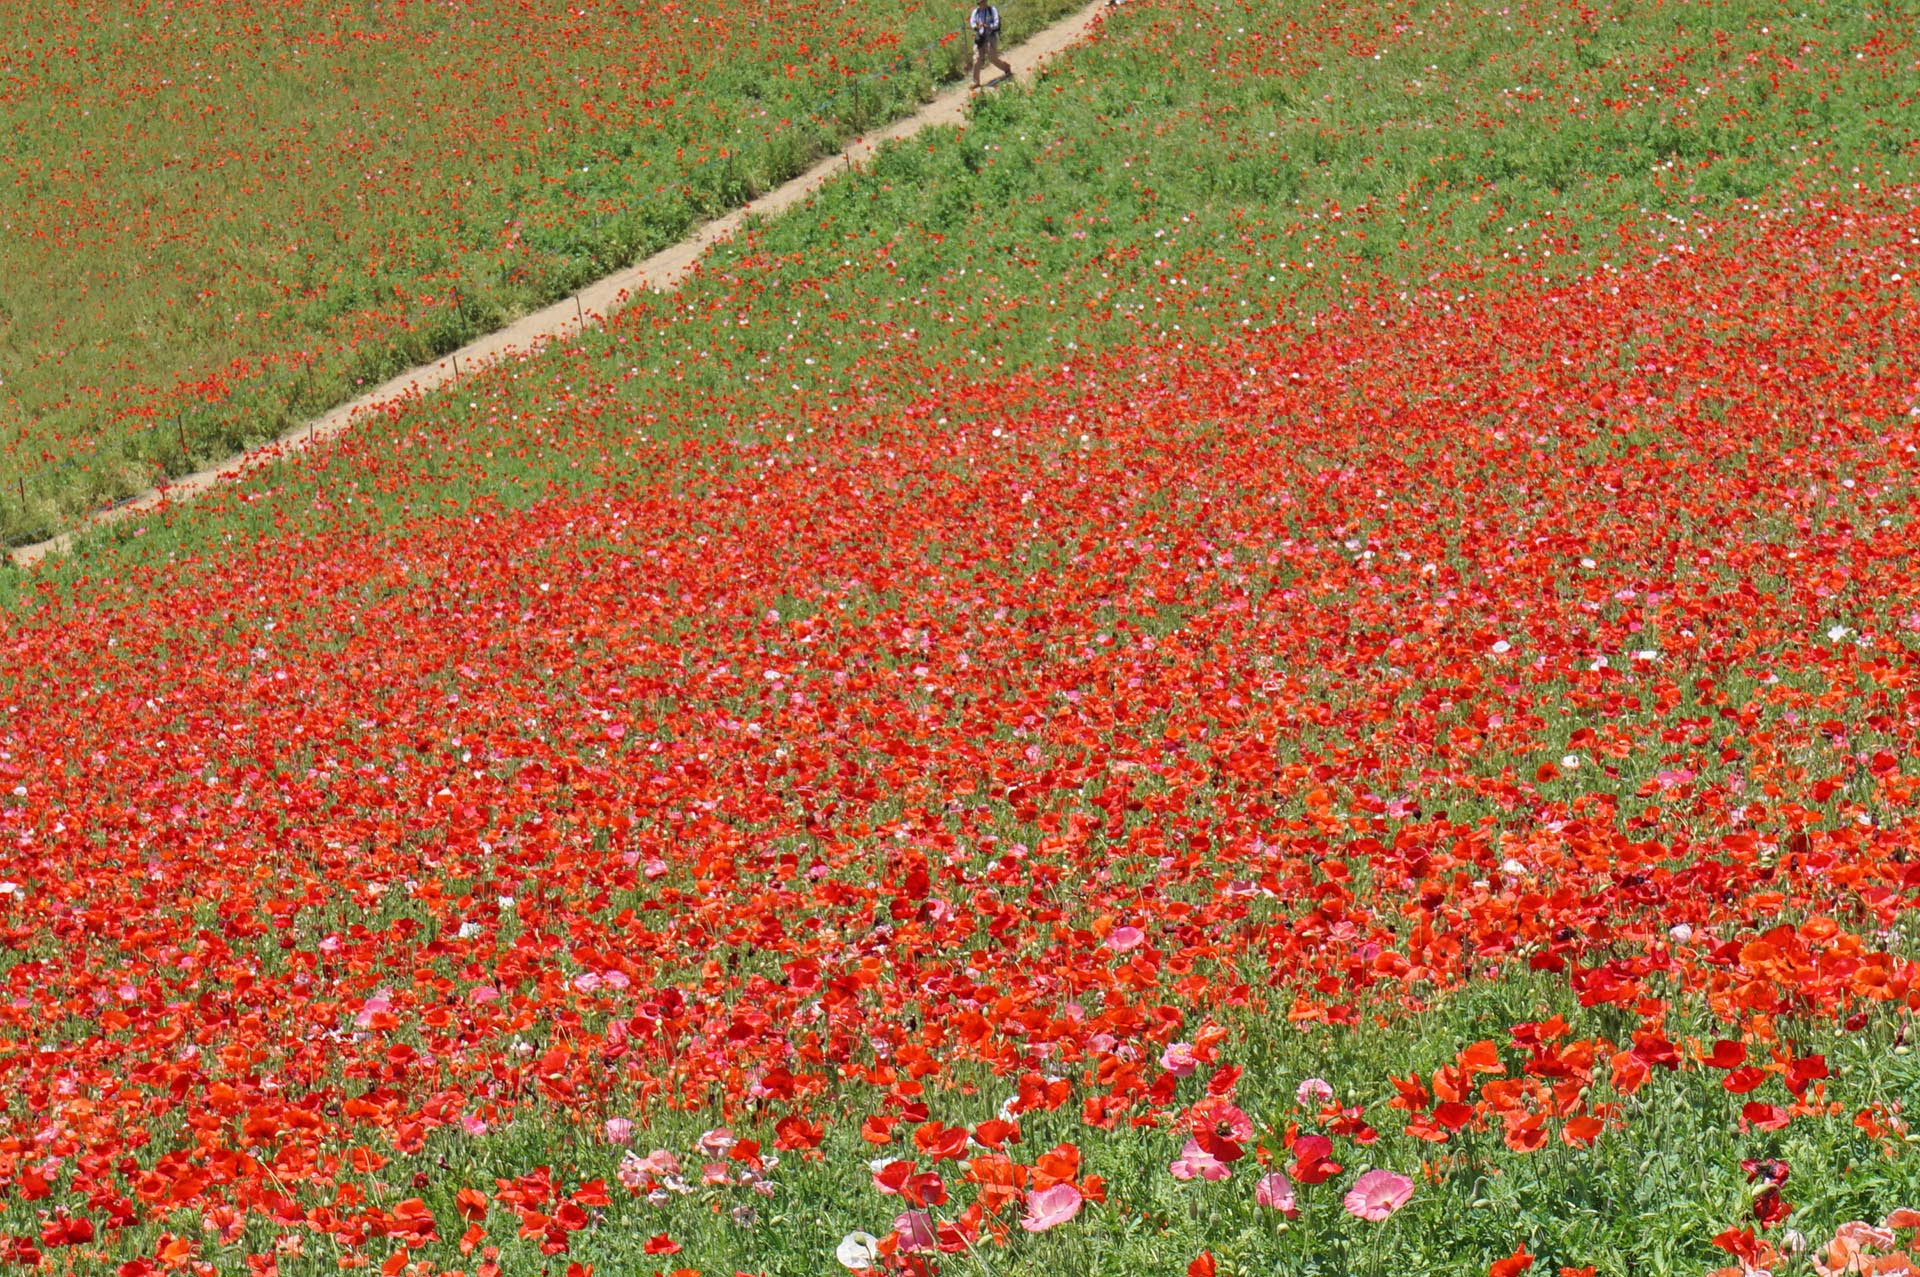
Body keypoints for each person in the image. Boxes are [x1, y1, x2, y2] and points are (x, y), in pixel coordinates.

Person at [967, 2, 1012, 88]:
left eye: (983, 1)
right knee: (976, 58)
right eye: (979, 2)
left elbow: (996, 23)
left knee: (993, 58)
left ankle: (1006, 67)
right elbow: (972, 23)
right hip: (980, 38)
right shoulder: (975, 12)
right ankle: (975, 81)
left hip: (990, 37)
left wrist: (987, 25)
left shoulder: (992, 10)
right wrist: (977, 26)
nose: (981, 4)